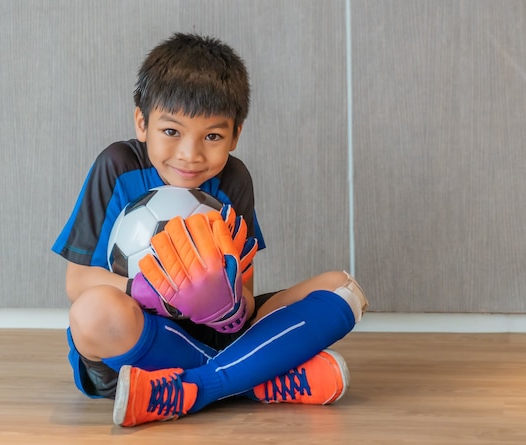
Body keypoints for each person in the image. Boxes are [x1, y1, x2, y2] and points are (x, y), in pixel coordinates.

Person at [52, 32, 368, 427]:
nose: (190, 154)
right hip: (135, 346)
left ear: (236, 135)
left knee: (341, 288)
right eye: (171, 132)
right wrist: (154, 295)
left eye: (213, 136)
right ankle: (258, 375)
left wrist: (229, 310)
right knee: (90, 313)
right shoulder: (117, 167)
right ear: (142, 122)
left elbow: (248, 298)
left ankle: (192, 389)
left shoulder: (234, 180)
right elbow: (78, 282)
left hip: (214, 336)